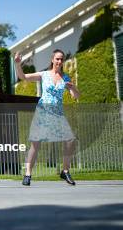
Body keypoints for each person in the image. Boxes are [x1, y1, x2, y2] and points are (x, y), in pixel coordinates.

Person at [14, 49, 80, 186]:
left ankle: (65, 171)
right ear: (52, 60)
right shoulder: (44, 75)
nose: (59, 61)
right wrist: (18, 64)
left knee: (70, 140)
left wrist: (72, 87)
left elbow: (76, 96)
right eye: (57, 59)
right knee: (35, 144)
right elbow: (23, 77)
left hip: (58, 114)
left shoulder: (65, 78)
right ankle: (27, 174)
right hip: (43, 112)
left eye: (61, 59)